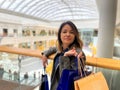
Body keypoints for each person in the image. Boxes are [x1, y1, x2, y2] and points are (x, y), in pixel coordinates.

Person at [41, 21, 86, 90]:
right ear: (60, 35)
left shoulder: (77, 53)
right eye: (64, 32)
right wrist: (45, 54)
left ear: (75, 36)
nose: (68, 34)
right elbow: (53, 49)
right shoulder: (61, 48)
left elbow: (66, 79)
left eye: (71, 32)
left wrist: (65, 57)